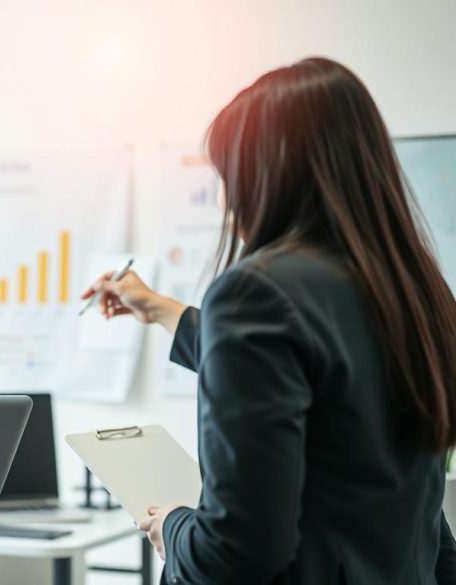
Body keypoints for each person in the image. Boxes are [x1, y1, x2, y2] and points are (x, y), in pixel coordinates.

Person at [83, 58, 456, 584]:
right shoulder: (418, 295)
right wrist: (160, 309)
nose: (221, 195)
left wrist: (173, 527)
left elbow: (235, 555)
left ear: (262, 172)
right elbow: (428, 525)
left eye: (224, 173)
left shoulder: (254, 292)